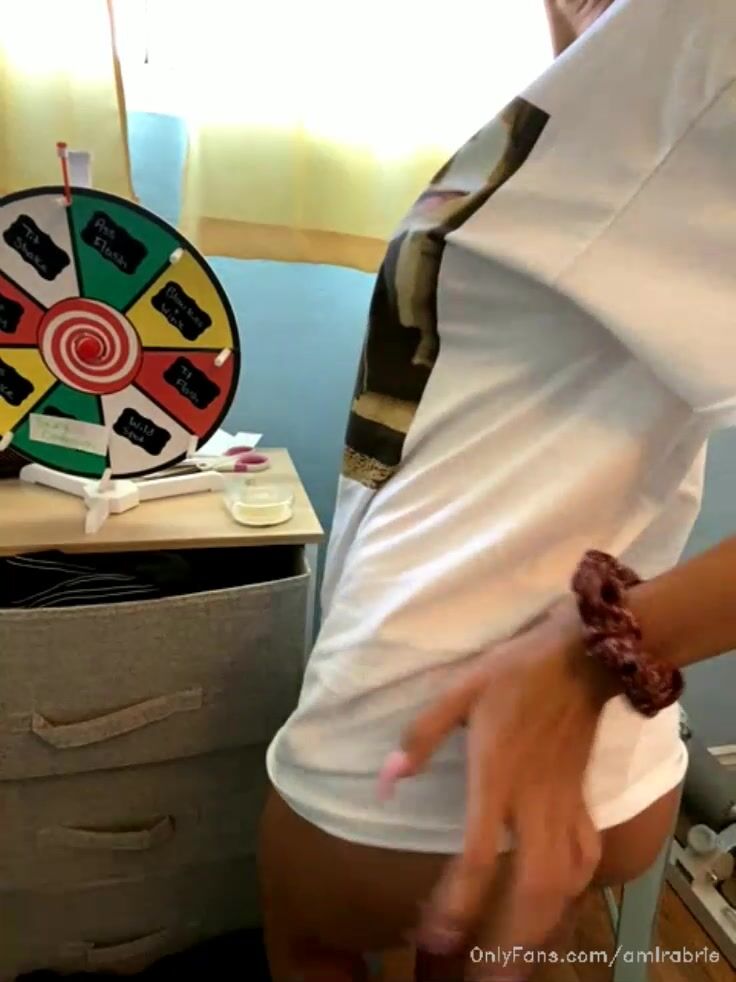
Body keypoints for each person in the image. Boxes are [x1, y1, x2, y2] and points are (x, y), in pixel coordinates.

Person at [258, 1, 736, 979]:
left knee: (308, 942)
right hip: (569, 766)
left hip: (403, 747)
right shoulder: (634, 75)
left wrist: (599, 651)